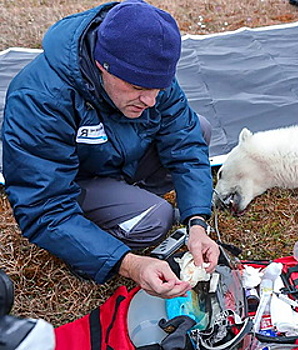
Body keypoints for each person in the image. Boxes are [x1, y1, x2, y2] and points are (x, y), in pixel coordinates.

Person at [1, 0, 220, 299]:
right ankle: (90, 244)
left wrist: (197, 222)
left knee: (199, 127)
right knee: (155, 219)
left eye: (159, 88)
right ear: (102, 65)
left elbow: (185, 142)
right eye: (138, 88)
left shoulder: (149, 75)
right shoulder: (40, 99)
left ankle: (126, 203)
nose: (151, 101)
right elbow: (44, 207)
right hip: (75, 185)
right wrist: (128, 264)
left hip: (118, 164)